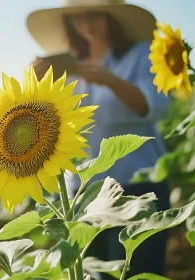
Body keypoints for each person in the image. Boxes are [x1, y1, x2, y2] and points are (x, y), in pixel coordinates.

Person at [27, 1, 171, 279]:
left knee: (138, 269)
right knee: (94, 272)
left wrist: (111, 81)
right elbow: (46, 121)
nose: (85, 22)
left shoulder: (141, 54)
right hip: (84, 193)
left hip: (137, 186)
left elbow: (155, 106)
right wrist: (37, 84)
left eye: (93, 13)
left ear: (112, 18)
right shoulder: (66, 64)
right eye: (77, 17)